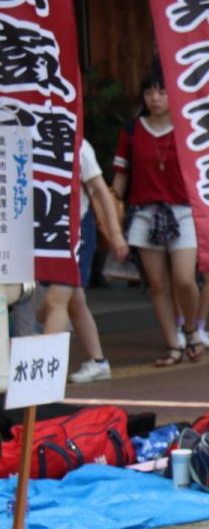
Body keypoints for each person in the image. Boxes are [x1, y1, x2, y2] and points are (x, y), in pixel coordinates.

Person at [112, 63, 204, 367]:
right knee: (156, 283)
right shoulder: (132, 129)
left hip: (184, 210)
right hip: (144, 211)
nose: (155, 98)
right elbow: (120, 177)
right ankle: (172, 344)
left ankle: (190, 330)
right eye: (149, 92)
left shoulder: (187, 128)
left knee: (184, 277)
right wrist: (113, 216)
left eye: (162, 91)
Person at [41, 138, 128, 383]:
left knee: (55, 301)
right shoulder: (27, 136)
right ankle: (98, 362)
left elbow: (101, 190)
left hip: (76, 233)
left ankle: (45, 375)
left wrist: (116, 234)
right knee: (74, 301)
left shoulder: (78, 143)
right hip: (49, 235)